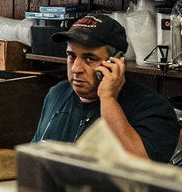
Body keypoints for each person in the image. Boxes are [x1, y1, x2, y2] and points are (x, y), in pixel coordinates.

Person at [32, 14, 180, 162]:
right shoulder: (57, 94)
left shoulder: (153, 108)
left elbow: (141, 167)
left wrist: (108, 99)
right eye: (71, 56)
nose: (76, 69)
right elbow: (35, 155)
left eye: (89, 59)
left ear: (116, 62)